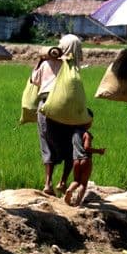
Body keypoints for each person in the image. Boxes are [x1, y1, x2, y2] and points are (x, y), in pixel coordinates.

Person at [30, 34, 88, 195]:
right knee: (69, 146)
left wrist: (41, 59)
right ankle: (62, 182)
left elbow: (34, 80)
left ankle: (48, 183)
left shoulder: (47, 63)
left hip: (46, 106)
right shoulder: (73, 67)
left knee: (46, 144)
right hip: (67, 109)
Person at [64, 110, 106, 206]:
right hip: (85, 159)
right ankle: (78, 203)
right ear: (87, 121)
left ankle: (69, 190)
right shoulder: (87, 134)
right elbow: (86, 148)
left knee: (76, 180)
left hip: (76, 160)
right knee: (83, 183)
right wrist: (99, 151)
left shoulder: (74, 133)